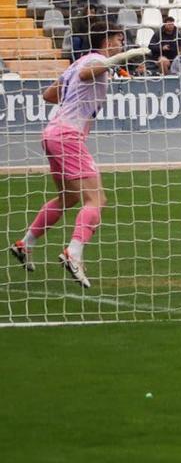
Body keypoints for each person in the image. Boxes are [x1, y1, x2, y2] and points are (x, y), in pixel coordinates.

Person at [7, 22, 149, 287]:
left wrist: (74, 96)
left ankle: (25, 244)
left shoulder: (76, 63)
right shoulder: (95, 59)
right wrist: (116, 60)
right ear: (107, 41)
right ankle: (73, 252)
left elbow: (48, 94)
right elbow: (87, 75)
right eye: (118, 40)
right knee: (97, 199)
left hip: (52, 133)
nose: (121, 44)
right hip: (68, 136)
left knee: (68, 197)